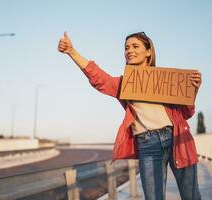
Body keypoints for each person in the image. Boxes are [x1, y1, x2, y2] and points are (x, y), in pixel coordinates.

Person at [58, 31, 202, 200]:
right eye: (126, 48)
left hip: (176, 139)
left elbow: (186, 113)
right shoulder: (125, 84)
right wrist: (72, 52)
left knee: (191, 196)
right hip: (148, 144)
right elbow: (99, 79)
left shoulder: (166, 81)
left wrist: (192, 90)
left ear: (148, 51)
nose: (129, 51)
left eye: (135, 46)